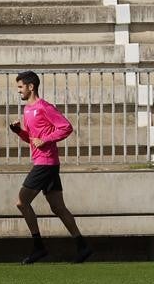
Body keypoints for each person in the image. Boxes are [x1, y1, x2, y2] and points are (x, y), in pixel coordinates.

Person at [10, 70, 93, 265]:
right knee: (58, 207)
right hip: (47, 163)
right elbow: (33, 139)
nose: (19, 90)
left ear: (31, 87)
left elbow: (66, 127)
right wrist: (19, 131)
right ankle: (83, 246)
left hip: (45, 164)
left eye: (20, 87)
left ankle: (38, 247)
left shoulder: (44, 107)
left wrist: (46, 140)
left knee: (22, 202)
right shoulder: (27, 110)